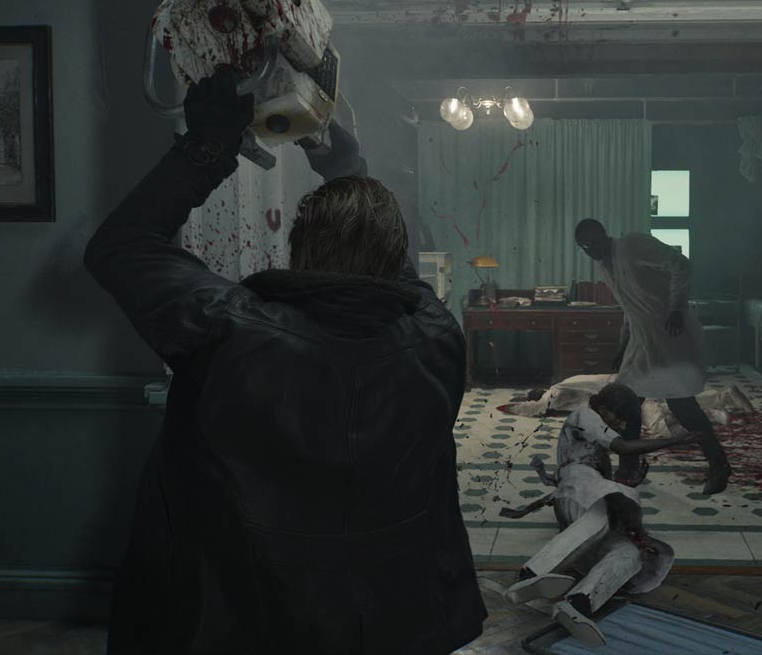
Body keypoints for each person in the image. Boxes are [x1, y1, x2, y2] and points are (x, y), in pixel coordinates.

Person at [84, 68, 486, 654]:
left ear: (297, 249)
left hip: (237, 624)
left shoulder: (225, 328)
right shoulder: (437, 335)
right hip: (395, 623)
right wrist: (346, 169)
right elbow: (392, 277)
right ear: (398, 254)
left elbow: (123, 244)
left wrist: (207, 148)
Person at [503, 383, 690, 646]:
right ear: (602, 408)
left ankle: (577, 604)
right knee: (599, 514)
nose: (621, 424)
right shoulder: (584, 415)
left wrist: (627, 484)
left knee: (630, 553)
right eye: (618, 417)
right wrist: (675, 440)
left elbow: (603, 487)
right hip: (574, 490)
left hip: (586, 517)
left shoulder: (598, 450)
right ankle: (530, 576)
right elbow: (622, 447)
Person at [574, 218, 732, 495]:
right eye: (585, 247)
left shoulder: (631, 244)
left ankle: (719, 465)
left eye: (594, 242)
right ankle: (629, 468)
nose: (591, 250)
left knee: (682, 406)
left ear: (604, 234)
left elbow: (681, 264)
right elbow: (630, 308)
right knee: (627, 404)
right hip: (642, 342)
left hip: (671, 335)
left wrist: (677, 308)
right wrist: (622, 345)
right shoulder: (605, 267)